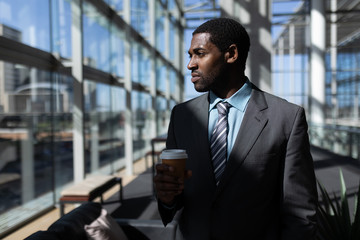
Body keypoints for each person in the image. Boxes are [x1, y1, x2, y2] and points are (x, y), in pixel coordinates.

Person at [154, 18, 317, 240]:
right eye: (190, 55)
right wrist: (166, 197)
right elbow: (175, 201)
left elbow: (300, 212)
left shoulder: (287, 117)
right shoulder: (182, 116)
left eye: (199, 54)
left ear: (231, 54)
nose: (190, 64)